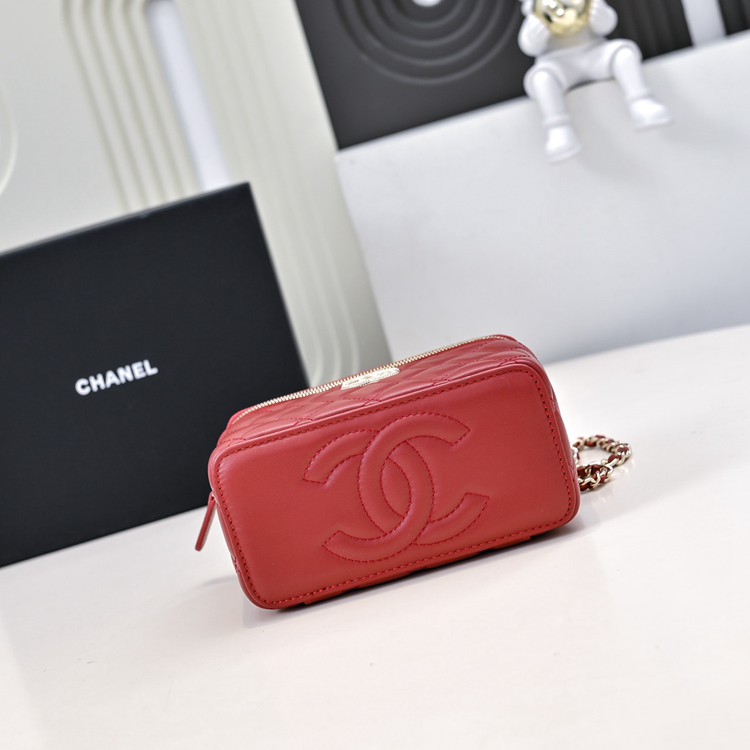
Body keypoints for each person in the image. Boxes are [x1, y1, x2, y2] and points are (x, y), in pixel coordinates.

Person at [518, 0, 671, 161]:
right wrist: (534, 36)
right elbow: (529, 47)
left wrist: (601, 17)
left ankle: (641, 102)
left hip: (595, 53)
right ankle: (558, 129)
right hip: (559, 64)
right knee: (542, 78)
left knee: (624, 53)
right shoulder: (535, 13)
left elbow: (608, 24)